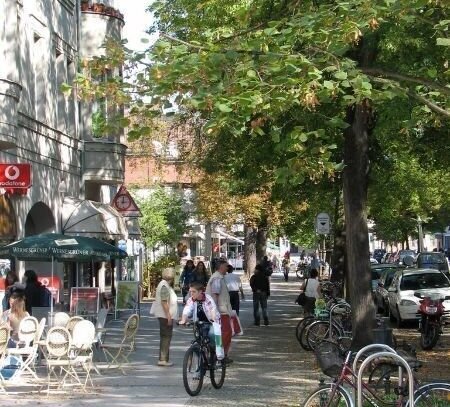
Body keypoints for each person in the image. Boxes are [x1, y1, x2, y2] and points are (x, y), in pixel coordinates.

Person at [179, 282, 222, 359]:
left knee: (212, 334)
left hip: (211, 322)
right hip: (199, 322)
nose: (191, 294)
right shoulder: (191, 300)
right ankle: (201, 359)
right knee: (199, 339)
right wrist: (183, 320)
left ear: (200, 292)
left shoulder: (207, 298)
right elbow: (186, 309)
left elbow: (213, 309)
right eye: (190, 291)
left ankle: (215, 352)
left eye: (193, 292)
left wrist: (212, 318)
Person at [206, 260, 233, 365]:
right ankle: (220, 356)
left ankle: (220, 355)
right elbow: (215, 295)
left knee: (223, 333)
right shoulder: (217, 278)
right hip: (221, 311)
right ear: (221, 267)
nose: (227, 268)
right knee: (225, 333)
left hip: (222, 310)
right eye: (226, 266)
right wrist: (215, 311)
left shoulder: (219, 277)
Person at [150, 268, 179, 367]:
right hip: (164, 316)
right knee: (166, 337)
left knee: (165, 336)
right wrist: (169, 316)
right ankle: (163, 359)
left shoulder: (165, 285)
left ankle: (164, 358)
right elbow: (164, 302)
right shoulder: (164, 285)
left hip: (164, 315)